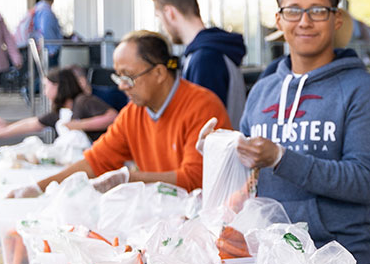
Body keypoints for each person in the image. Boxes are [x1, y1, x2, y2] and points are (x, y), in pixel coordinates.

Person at [236, 0, 370, 264]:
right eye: (293, 11)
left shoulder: (364, 92)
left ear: (336, 19)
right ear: (279, 20)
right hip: (268, 260)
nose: (304, 21)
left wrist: (281, 158)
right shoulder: (262, 91)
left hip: (339, 262)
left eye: (317, 10)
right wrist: (219, 152)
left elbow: (365, 182)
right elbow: (247, 175)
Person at [13, 31, 229, 196]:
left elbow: (194, 179)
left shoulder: (202, 107)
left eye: (128, 77)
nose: (122, 86)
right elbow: (95, 162)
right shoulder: (133, 114)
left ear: (160, 73)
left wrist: (129, 179)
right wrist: (38, 188)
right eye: (118, 77)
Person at [152, 0, 248, 122]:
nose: (162, 28)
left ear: (169, 12)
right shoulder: (209, 51)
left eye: (159, 18)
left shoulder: (205, 59)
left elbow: (203, 122)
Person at [0, 66, 118, 141]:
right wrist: (3, 129)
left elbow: (112, 117)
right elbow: (33, 123)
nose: (44, 92)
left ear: (58, 86)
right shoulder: (62, 112)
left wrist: (78, 125)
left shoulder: (83, 101)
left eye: (46, 86)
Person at [29, 0, 64, 65]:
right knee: (51, 74)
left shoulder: (38, 8)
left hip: (42, 47)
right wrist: (52, 49)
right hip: (49, 49)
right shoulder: (46, 12)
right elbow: (46, 29)